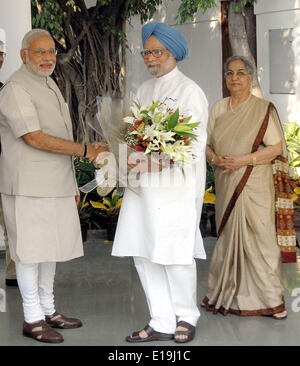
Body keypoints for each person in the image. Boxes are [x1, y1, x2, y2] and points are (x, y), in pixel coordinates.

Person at [0, 29, 108, 343]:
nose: (48, 58)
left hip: (56, 183)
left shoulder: (49, 83)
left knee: (50, 251)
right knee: (30, 253)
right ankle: (32, 318)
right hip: (28, 186)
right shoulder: (15, 88)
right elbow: (33, 137)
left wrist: (72, 182)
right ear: (23, 55)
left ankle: (48, 310)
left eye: (51, 52)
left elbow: (57, 136)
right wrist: (86, 151)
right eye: (39, 52)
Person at [112, 22, 208, 343]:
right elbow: (130, 134)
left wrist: (159, 161)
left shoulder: (189, 91)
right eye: (147, 52)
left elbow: (193, 148)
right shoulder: (143, 91)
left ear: (173, 53)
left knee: (174, 252)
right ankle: (161, 319)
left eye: (157, 52)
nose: (151, 58)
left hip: (174, 189)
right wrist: (124, 154)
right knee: (143, 251)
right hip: (143, 187)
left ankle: (186, 316)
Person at [203, 55, 290, 319]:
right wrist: (216, 159)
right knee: (229, 238)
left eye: (241, 73)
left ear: (250, 78)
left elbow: (277, 148)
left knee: (261, 239)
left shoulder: (262, 108)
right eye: (230, 73)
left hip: (255, 183)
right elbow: (205, 146)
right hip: (226, 181)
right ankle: (227, 294)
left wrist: (243, 160)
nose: (235, 78)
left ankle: (272, 300)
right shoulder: (218, 108)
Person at [0, 40, 18, 287]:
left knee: (10, 222)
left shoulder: (4, 90)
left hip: (3, 165)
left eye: (1, 53)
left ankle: (14, 273)